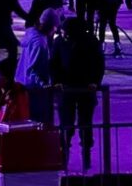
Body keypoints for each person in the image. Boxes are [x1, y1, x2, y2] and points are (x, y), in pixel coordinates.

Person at [51, 16, 105, 171]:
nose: (63, 33)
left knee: (85, 124)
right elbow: (54, 63)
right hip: (66, 89)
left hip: (85, 89)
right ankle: (64, 157)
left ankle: (86, 155)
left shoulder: (91, 42)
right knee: (66, 124)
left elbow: (98, 64)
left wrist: (95, 82)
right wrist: (57, 81)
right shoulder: (60, 42)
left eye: (66, 31)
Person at [15, 8, 59, 123]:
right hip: (35, 89)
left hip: (23, 83)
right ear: (51, 26)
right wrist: (43, 84)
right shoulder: (40, 44)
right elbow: (32, 69)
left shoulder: (31, 34)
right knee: (38, 121)